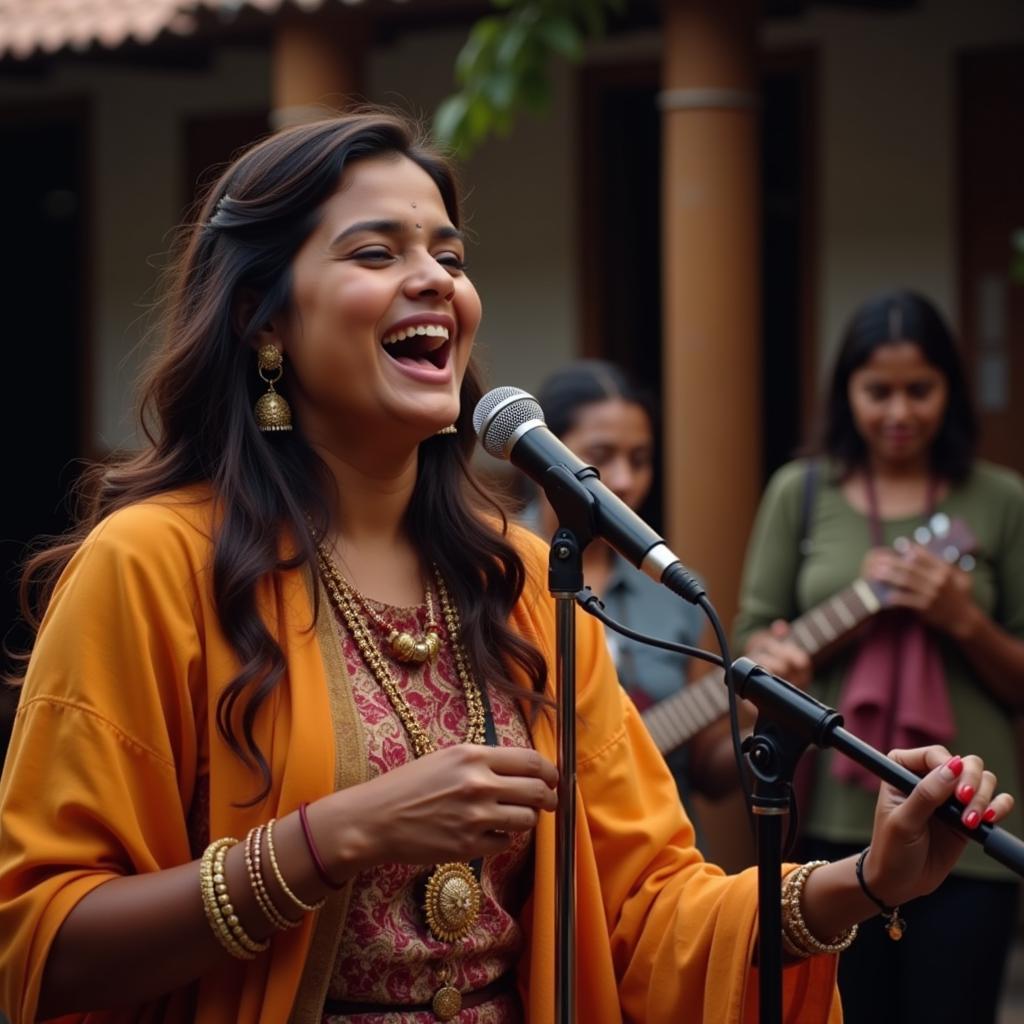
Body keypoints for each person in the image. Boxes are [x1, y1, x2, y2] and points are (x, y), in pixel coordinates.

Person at [0, 115, 1011, 1024]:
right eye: (376, 250)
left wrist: (863, 880)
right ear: (262, 319)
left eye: (448, 251)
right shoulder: (151, 565)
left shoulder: (523, 580)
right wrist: (327, 840)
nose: (436, 276)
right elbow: (40, 947)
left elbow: (646, 912)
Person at [734, 289, 1024, 1023]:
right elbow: (752, 641)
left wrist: (963, 618)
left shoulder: (1001, 499)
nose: (899, 412)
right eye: (878, 391)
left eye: (919, 390)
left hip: (970, 822)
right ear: (846, 393)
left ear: (951, 391)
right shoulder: (797, 494)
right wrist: (784, 655)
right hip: (835, 822)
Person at [521, 359, 740, 807]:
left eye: (639, 461)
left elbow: (707, 774)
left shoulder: (677, 590)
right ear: (540, 456)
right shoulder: (491, 564)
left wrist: (758, 722)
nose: (622, 481)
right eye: (600, 458)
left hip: (658, 852)